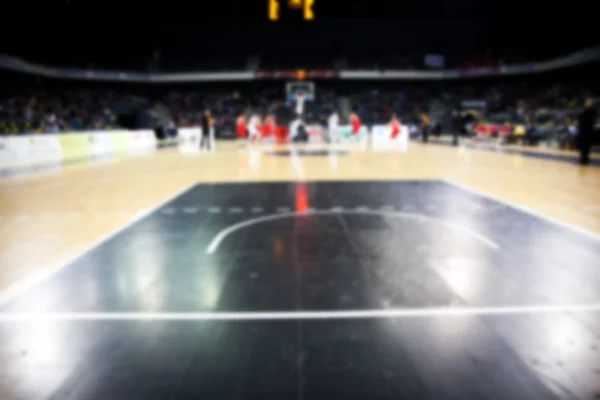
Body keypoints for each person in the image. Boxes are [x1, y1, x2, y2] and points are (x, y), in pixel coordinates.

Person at [577, 97, 597, 165]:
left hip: (588, 131)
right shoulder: (585, 110)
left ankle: (585, 159)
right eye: (587, 102)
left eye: (589, 102)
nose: (587, 103)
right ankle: (583, 158)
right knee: (583, 146)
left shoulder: (591, 111)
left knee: (586, 146)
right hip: (583, 130)